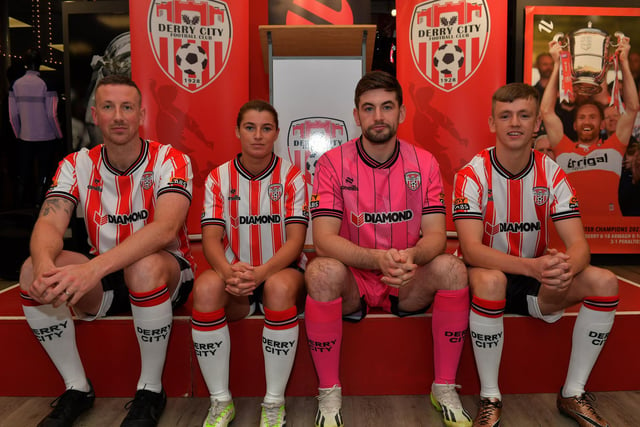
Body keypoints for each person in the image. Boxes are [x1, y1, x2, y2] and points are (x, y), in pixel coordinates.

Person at [19, 74, 195, 427]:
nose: (118, 116)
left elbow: (165, 229)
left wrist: (94, 269)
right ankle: (77, 388)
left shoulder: (171, 160)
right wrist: (42, 264)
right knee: (28, 272)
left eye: (127, 107)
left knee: (143, 266)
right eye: (109, 107)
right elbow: (50, 224)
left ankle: (150, 390)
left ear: (141, 115)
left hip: (164, 274)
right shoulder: (74, 164)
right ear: (95, 114)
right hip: (103, 277)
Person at [305, 70, 472, 427]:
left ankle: (444, 387)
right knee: (320, 271)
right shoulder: (332, 163)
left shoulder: (424, 162)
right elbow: (324, 238)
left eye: (386, 107)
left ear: (401, 113)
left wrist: (413, 257)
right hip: (355, 279)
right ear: (356, 116)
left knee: (453, 269)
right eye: (368, 108)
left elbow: (436, 236)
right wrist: (376, 259)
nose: (378, 116)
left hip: (406, 278)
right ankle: (329, 393)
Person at [453, 83, 619, 427]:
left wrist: (564, 266)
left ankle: (573, 393)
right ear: (491, 123)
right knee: (490, 279)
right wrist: (535, 267)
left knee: (604, 280)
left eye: (524, 115)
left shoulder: (552, 171)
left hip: (537, 283)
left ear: (536, 124)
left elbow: (580, 247)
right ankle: (490, 397)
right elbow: (470, 250)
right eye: (506, 115)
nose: (515, 123)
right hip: (489, 277)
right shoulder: (471, 174)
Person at [193, 100, 308, 427]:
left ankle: (273, 403)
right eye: (250, 127)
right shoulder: (218, 177)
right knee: (204, 289)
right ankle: (220, 401)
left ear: (276, 133)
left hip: (278, 272)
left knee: (280, 286)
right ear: (237, 131)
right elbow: (211, 238)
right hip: (236, 278)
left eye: (266, 128)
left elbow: (295, 242)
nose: (258, 136)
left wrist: (260, 273)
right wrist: (230, 273)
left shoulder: (292, 176)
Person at [540, 36, 640, 218]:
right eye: (582, 117)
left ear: (601, 123)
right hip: (571, 233)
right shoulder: (564, 148)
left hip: (609, 235)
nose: (587, 121)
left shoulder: (614, 146)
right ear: (574, 125)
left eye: (592, 117)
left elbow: (632, 108)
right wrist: (556, 65)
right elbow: (546, 111)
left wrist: (624, 62)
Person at [8, 49, 63, 208]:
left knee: (23, 173)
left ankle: (19, 207)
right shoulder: (47, 84)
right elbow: (52, 115)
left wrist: (19, 134)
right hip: (46, 137)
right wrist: (59, 135)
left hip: (25, 137)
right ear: (40, 63)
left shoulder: (15, 85)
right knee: (44, 173)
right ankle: (41, 206)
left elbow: (12, 116)